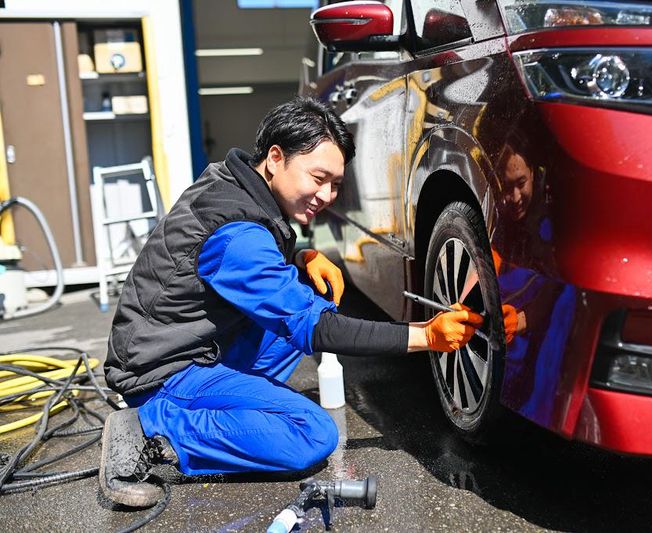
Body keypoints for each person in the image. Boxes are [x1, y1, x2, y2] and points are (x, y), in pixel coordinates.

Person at [99, 97, 483, 507]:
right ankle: (148, 428)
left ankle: (230, 411)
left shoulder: (232, 185)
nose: (327, 194)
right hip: (161, 373)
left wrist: (300, 258)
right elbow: (316, 326)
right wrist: (425, 336)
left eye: (336, 184)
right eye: (318, 177)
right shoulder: (238, 234)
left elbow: (228, 268)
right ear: (275, 158)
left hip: (187, 347)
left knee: (307, 296)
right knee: (312, 435)